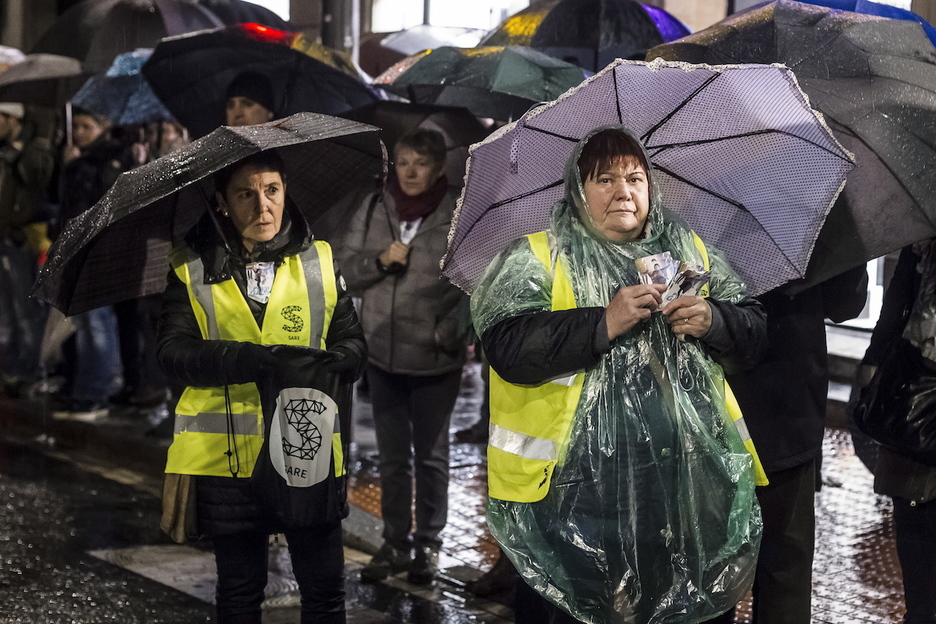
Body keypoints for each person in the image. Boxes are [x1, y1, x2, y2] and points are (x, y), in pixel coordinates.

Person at [471, 126, 768, 623]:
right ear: (578, 189)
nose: (624, 191)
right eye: (605, 179)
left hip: (683, 490)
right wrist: (601, 323)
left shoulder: (691, 252)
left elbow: (755, 331)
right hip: (575, 498)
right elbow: (508, 346)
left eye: (635, 178)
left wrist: (716, 320)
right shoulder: (536, 257)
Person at [156, 150, 366, 624]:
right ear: (223, 203)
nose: (263, 206)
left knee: (324, 592)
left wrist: (333, 363)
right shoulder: (190, 267)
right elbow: (171, 353)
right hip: (228, 457)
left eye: (272, 190)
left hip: (305, 448)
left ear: (285, 191)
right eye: (246, 195)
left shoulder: (320, 260)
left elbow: (352, 342)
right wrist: (244, 359)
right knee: (240, 591)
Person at [339, 128, 470, 585]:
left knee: (431, 456)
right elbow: (344, 269)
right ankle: (394, 542)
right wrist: (379, 261)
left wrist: (449, 331)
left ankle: (428, 546)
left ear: (438, 169)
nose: (410, 172)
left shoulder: (459, 212)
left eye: (421, 163)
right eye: (403, 162)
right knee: (393, 458)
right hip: (381, 353)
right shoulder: (376, 204)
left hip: (436, 357)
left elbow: (474, 281)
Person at [726, 264, 867, 624]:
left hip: (724, 408)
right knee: (783, 570)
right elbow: (846, 305)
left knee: (710, 571)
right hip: (788, 410)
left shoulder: (698, 213)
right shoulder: (812, 215)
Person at [851, 242, 936, 624]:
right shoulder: (923, 236)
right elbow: (896, 306)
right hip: (915, 394)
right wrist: (873, 366)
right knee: (914, 519)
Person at [51, 108, 129, 420]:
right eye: (78, 126)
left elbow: (101, 204)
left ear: (103, 126)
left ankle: (97, 393)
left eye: (87, 126)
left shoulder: (108, 159)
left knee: (97, 323)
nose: (81, 132)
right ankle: (84, 389)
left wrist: (75, 167)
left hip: (96, 254)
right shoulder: (79, 158)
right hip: (73, 250)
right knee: (83, 324)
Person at [0, 102, 56, 396]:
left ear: (13, 118)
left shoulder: (34, 147)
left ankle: (33, 367)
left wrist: (19, 153)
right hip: (7, 236)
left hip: (25, 237)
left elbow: (38, 177)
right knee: (8, 309)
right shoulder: (6, 148)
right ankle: (15, 364)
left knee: (27, 307)